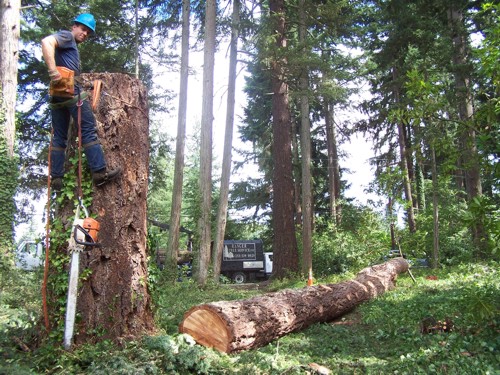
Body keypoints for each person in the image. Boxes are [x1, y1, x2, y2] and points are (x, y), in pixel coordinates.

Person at [41, 13, 121, 191]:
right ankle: (99, 172)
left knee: (59, 136)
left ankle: (57, 178)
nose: (84, 34)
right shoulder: (67, 36)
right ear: (74, 26)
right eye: (83, 29)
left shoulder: (69, 46)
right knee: (87, 129)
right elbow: (46, 42)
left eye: (88, 32)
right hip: (69, 92)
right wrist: (53, 72)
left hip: (58, 95)